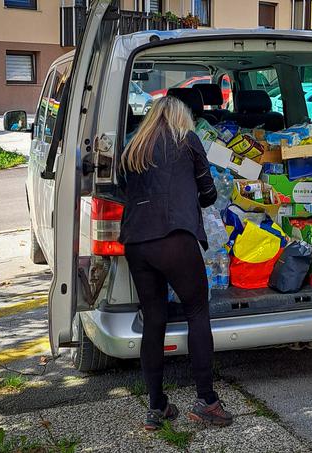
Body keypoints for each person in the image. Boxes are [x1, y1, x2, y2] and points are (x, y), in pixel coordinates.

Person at [119, 96, 233, 431]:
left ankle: (156, 408)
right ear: (182, 118)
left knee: (154, 319)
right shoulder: (187, 140)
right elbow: (209, 192)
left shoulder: (133, 148)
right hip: (174, 236)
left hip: (136, 242)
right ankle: (206, 400)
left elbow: (125, 190)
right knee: (197, 310)